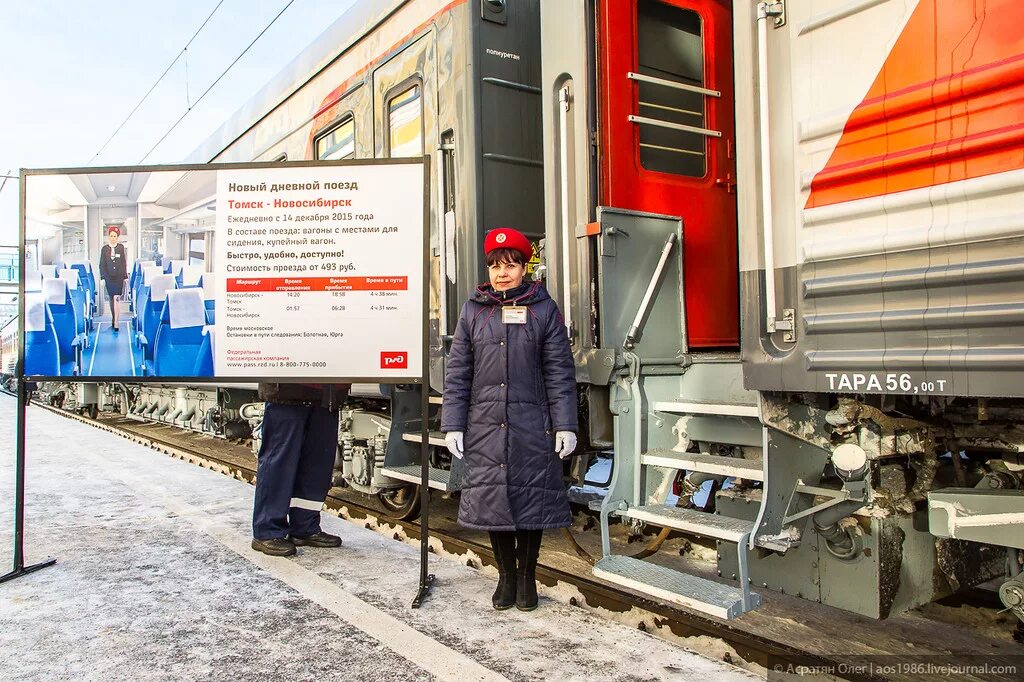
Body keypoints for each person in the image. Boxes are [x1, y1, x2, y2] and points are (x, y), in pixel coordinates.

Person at [441, 227, 578, 611]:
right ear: (489, 270)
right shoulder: (473, 310)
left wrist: (565, 424)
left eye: (511, 265)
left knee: (529, 500)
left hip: (532, 422)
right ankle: (504, 576)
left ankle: (526, 577)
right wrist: (453, 423)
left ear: (524, 267)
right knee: (492, 501)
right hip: (484, 424)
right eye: (496, 266)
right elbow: (459, 372)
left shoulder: (543, 309)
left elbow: (559, 372)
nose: (503, 273)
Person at [251, 383, 351, 556]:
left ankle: (305, 527)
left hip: (327, 396)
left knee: (317, 465)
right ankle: (267, 532)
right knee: (279, 461)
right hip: (287, 390)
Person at [97, 225, 128, 332]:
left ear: (117, 237)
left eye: (115, 236)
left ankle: (116, 322)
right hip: (109, 277)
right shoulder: (104, 249)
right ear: (108, 237)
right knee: (111, 298)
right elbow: (102, 264)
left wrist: (125, 276)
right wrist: (102, 277)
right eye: (111, 236)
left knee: (117, 298)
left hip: (119, 277)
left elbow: (124, 262)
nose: (113, 238)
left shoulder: (121, 247)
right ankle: (113, 317)